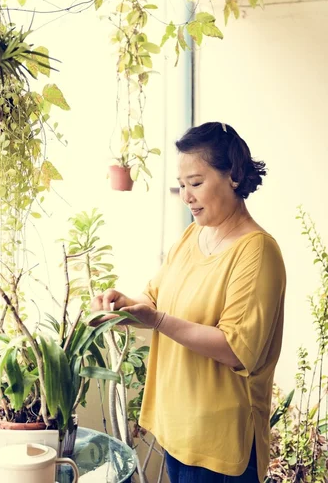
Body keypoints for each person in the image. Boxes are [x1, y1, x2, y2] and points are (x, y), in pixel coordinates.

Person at [90, 122, 286, 483]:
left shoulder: (257, 251)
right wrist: (123, 308)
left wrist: (158, 321)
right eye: (182, 186)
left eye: (195, 183)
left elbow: (236, 349)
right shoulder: (192, 235)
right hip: (178, 431)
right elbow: (154, 299)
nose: (186, 196)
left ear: (234, 176)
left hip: (221, 446)